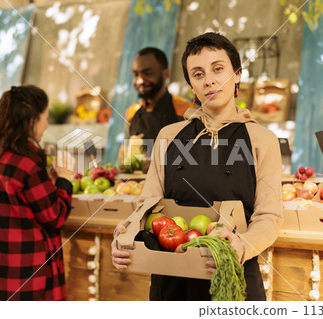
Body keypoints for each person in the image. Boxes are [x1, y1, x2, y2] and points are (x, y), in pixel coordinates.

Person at [111, 32, 283, 301]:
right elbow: (148, 204)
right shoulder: (168, 136)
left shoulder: (262, 140)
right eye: (198, 73)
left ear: (237, 74)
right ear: (191, 83)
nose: (210, 80)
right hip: (171, 275)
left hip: (232, 274)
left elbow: (269, 217)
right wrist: (126, 231)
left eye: (218, 69)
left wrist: (242, 245)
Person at [0, 85, 74, 301]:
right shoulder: (27, 164)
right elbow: (55, 216)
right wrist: (66, 179)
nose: (47, 125)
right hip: (29, 284)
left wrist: (50, 181)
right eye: (45, 117)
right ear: (32, 120)